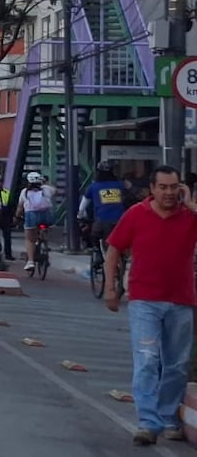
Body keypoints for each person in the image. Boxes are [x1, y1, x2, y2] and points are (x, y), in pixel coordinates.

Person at [104, 166, 197, 446]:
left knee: (176, 365)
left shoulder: (190, 217)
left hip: (181, 301)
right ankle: (147, 423)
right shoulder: (136, 215)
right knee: (147, 360)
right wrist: (111, 286)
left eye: (174, 187)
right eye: (163, 187)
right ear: (152, 189)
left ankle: (169, 418)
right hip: (144, 300)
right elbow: (114, 248)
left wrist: (192, 205)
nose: (169, 193)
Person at [79, 160, 127, 248]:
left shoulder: (93, 187)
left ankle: (97, 253)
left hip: (102, 221)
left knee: (94, 235)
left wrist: (80, 216)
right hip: (120, 221)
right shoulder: (120, 185)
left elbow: (82, 206)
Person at [15, 171, 55, 271]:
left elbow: (20, 208)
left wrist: (17, 217)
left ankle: (31, 261)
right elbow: (55, 191)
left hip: (31, 215)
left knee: (30, 239)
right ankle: (44, 242)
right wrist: (45, 183)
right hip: (47, 215)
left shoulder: (24, 192)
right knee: (45, 227)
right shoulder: (47, 189)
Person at [0, 175, 15, 260]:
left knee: (7, 236)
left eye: (0, 182)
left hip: (5, 216)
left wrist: (12, 217)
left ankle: (8, 254)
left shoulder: (6, 192)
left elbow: (11, 205)